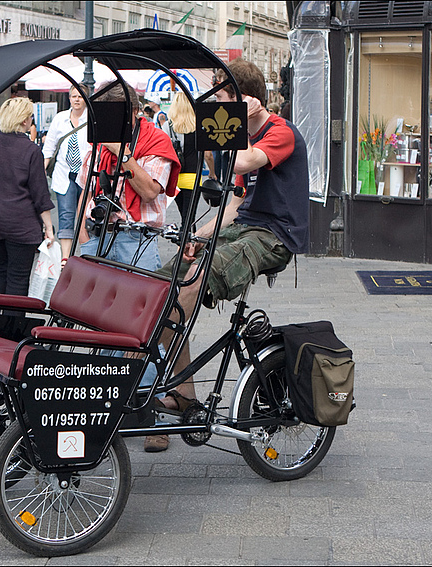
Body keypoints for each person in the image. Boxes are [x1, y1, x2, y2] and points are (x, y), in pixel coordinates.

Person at [144, 59, 310, 452]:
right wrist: (196, 235)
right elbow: (236, 204)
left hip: (273, 236)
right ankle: (184, 392)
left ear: (245, 99)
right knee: (166, 282)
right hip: (243, 228)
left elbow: (242, 161)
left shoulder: (279, 132)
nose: (218, 108)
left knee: (192, 281)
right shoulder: (247, 136)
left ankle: (158, 347)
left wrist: (232, 124)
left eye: (222, 100)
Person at [76, 81, 181, 271]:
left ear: (134, 111)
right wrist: (83, 235)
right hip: (97, 236)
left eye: (115, 114)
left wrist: (121, 152)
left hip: (137, 240)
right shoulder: (99, 142)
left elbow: (149, 192)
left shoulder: (155, 140)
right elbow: (86, 191)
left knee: (140, 299)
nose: (110, 120)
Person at [0, 97, 54, 296]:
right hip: (20, 223)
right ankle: (12, 324)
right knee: (18, 276)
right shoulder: (31, 150)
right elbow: (40, 193)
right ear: (24, 120)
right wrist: (48, 227)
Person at [43, 84, 90, 259]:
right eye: (73, 96)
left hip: (87, 176)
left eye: (80, 96)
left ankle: (87, 256)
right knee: (66, 215)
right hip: (65, 174)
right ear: (69, 98)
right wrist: (41, 170)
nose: (77, 99)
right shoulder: (60, 118)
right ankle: (66, 258)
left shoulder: (92, 118)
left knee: (87, 217)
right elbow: (49, 147)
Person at [165, 92, 199, 222]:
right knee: (190, 217)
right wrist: (213, 173)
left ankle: (184, 240)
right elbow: (207, 155)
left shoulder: (168, 126)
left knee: (183, 214)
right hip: (193, 177)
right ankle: (189, 240)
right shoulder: (197, 125)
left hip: (175, 177)